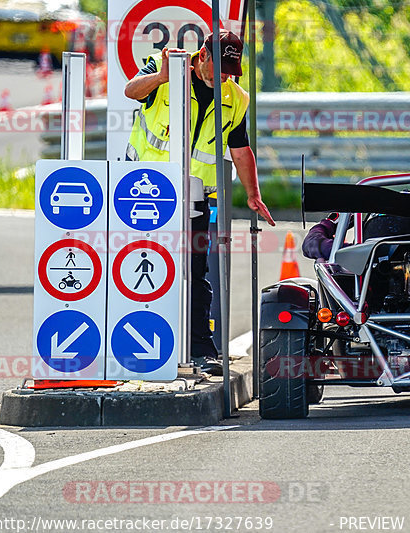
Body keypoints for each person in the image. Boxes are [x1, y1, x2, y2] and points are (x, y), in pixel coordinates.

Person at [124, 30, 275, 375]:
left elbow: (240, 147)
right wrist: (162, 76)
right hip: (142, 194)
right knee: (140, 264)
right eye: (219, 67)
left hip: (193, 198)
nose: (223, 77)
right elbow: (131, 91)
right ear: (203, 55)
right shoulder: (166, 67)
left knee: (195, 271)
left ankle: (200, 349)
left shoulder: (235, 98)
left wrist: (253, 194)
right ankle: (135, 343)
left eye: (230, 72)